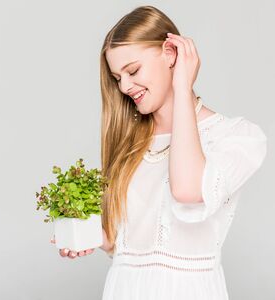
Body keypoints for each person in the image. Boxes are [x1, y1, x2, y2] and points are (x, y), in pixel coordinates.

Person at [50, 5, 268, 300]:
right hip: (124, 289)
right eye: (117, 78)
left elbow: (188, 190)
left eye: (133, 70)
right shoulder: (129, 144)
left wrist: (182, 85)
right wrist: (97, 238)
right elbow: (132, 247)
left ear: (170, 53)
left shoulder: (237, 137)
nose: (125, 86)